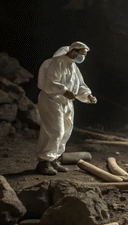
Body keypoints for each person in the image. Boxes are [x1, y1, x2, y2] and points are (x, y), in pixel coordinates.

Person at [35, 41, 97, 175]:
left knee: (66, 131)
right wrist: (64, 91)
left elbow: (79, 84)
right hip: (52, 99)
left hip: (66, 102)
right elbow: (50, 82)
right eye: (82, 54)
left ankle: (54, 159)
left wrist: (88, 95)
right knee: (55, 131)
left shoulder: (73, 66)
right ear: (74, 51)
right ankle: (44, 162)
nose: (83, 57)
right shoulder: (56, 63)